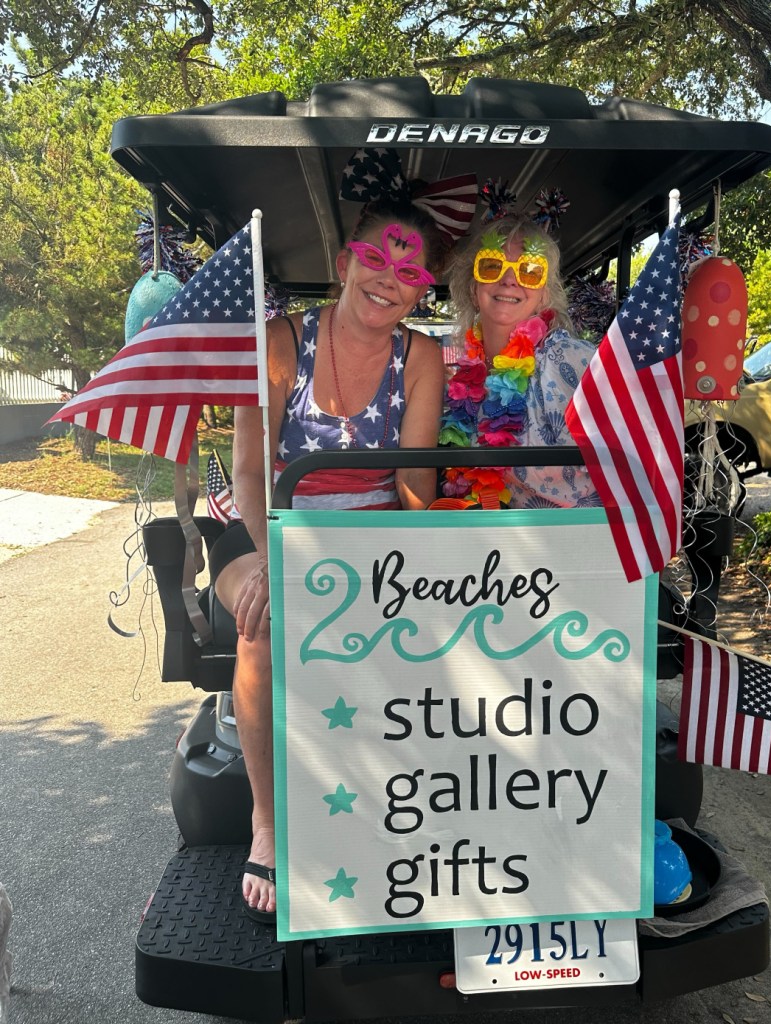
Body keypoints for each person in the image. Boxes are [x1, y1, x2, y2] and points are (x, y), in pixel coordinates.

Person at [210, 198, 447, 923]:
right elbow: (249, 475)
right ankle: (269, 821)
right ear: (345, 263)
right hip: (271, 527)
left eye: (408, 271)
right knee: (263, 624)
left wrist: (425, 573)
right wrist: (281, 560)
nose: (388, 278)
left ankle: (398, 800)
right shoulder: (280, 343)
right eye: (376, 258)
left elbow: (414, 485)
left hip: (370, 541)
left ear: (422, 289)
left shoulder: (422, 357)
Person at [441, 214, 598, 507]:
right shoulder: (464, 378)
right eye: (492, 266)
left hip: (573, 532)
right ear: (474, 290)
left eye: (530, 271)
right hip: (485, 533)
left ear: (544, 296)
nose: (509, 280)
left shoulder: (576, 361)